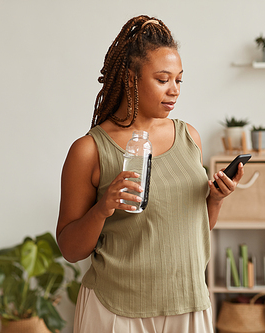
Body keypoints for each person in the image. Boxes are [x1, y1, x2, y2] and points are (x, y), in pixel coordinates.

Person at [56, 15, 244, 333]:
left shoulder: (190, 138)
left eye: (179, 80)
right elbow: (71, 250)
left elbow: (193, 229)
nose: (174, 91)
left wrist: (214, 201)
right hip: (115, 309)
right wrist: (103, 208)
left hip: (189, 304)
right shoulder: (89, 150)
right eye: (162, 79)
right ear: (130, 78)